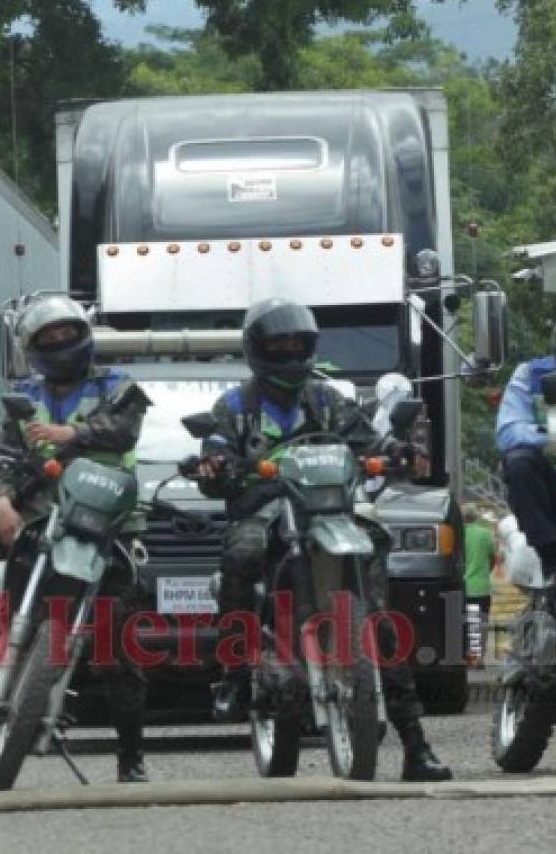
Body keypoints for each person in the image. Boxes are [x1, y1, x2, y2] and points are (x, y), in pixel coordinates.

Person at [189, 298, 452, 782]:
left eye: (298, 345)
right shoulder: (233, 406)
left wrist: (397, 451)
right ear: (257, 349)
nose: (289, 353)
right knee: (242, 553)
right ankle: (231, 672)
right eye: (279, 345)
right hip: (265, 510)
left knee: (379, 617)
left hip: (331, 512)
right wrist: (215, 467)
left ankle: (416, 746)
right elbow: (215, 454)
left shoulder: (329, 400)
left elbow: (369, 441)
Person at [0, 295, 153, 783]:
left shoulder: (118, 387)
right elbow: (5, 458)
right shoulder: (22, 397)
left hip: (105, 520)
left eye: (67, 336)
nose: (59, 345)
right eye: (48, 340)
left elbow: (123, 432)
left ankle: (131, 754)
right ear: (31, 348)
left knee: (115, 640)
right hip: (39, 515)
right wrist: (1, 501)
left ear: (85, 337)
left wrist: (69, 434)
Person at [496, 296, 556, 650]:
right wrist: (551, 437)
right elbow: (508, 431)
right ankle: (553, 563)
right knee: (519, 459)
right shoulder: (531, 376)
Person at [462, 504, 497, 661]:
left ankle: (468, 654)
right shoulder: (485, 534)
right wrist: (485, 571)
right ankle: (479, 658)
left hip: (462, 586)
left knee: (466, 623)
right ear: (476, 517)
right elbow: (493, 558)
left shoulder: (459, 535)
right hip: (481, 586)